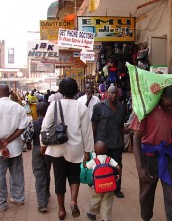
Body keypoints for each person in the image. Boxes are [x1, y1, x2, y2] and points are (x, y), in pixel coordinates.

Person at [130, 85, 172, 221]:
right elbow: (136, 138)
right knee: (146, 195)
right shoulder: (147, 109)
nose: (171, 107)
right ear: (163, 97)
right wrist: (140, 168)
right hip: (148, 158)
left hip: (168, 158)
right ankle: (146, 218)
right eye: (169, 103)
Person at [40, 78, 94, 220]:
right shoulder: (81, 107)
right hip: (75, 149)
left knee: (59, 179)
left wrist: (42, 144)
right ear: (76, 90)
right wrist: (88, 150)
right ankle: (73, 200)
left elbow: (45, 126)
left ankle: (61, 210)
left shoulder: (54, 105)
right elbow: (87, 131)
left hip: (57, 149)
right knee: (74, 176)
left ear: (61, 90)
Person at [91, 85, 126, 199]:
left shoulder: (121, 108)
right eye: (112, 93)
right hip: (102, 143)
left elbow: (121, 126)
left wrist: (122, 141)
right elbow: (94, 125)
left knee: (117, 165)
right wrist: (92, 142)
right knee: (100, 165)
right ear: (106, 93)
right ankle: (99, 184)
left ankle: (117, 189)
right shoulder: (98, 107)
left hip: (116, 142)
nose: (114, 95)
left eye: (116, 93)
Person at [0, 83, 28, 211]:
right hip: (15, 146)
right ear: (9, 92)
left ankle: (1, 202)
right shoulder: (18, 107)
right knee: (17, 173)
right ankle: (18, 198)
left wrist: (2, 144)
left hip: (1, 148)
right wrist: (8, 141)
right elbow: (22, 127)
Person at [23, 102, 52, 213]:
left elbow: (26, 138)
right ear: (48, 110)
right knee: (46, 171)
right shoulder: (51, 123)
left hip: (36, 149)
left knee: (39, 175)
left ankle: (42, 203)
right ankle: (47, 192)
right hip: (48, 150)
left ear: (36, 111)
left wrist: (29, 144)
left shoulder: (33, 123)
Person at [85, 141, 121, 221]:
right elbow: (118, 167)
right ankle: (105, 218)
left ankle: (91, 213)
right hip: (109, 185)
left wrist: (85, 159)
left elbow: (86, 166)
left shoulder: (94, 161)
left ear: (94, 151)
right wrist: (118, 176)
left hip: (97, 186)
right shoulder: (109, 159)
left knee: (95, 199)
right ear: (106, 150)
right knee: (107, 201)